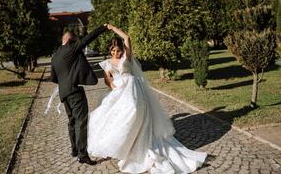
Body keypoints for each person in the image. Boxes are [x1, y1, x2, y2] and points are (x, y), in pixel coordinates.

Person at [87, 24, 207, 173]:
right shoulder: (107, 63)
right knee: (111, 117)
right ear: (110, 51)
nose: (116, 53)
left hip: (133, 89)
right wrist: (112, 86)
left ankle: (140, 144)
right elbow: (107, 79)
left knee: (134, 112)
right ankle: (127, 146)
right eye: (113, 50)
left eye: (118, 50)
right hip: (119, 91)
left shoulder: (127, 57)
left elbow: (126, 38)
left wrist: (112, 28)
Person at [51, 24, 108, 165]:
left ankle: (74, 149)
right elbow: (88, 39)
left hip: (63, 93)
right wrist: (103, 27)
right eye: (75, 40)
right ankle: (82, 155)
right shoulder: (71, 48)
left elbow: (53, 78)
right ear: (70, 40)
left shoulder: (55, 56)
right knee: (81, 121)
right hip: (75, 92)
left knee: (71, 121)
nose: (77, 42)